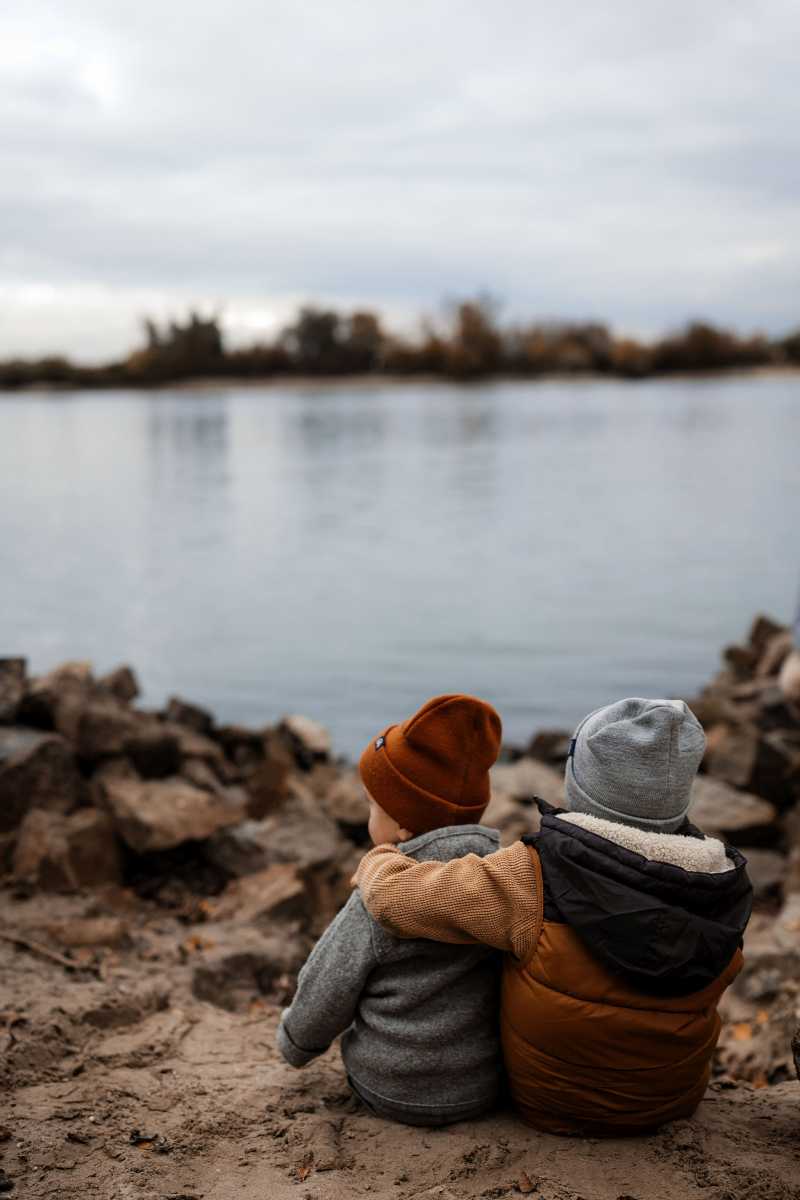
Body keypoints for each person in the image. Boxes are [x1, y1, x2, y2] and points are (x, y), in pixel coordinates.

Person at [356, 697, 754, 1136]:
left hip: (556, 1105)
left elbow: (398, 900)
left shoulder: (533, 874)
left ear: (578, 783)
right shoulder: (721, 885)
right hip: (671, 1103)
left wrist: (379, 860)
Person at [277, 693, 505, 1126]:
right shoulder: (498, 880)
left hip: (390, 1085)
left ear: (401, 823)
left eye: (372, 805)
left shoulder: (384, 890)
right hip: (483, 1085)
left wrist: (295, 1042)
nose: (367, 815)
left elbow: (329, 983)